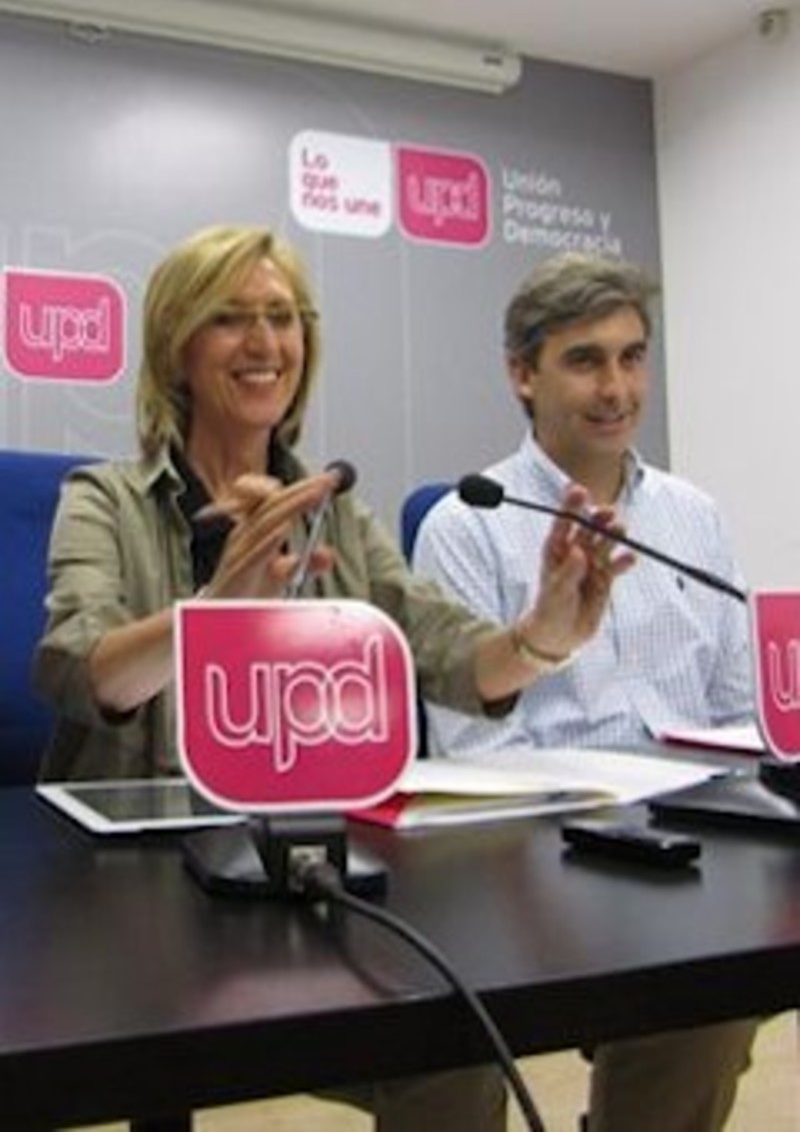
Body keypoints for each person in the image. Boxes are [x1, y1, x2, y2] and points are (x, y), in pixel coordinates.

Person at [34, 226, 632, 1132]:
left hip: (300, 872)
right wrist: (215, 612)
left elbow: (448, 650)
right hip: (135, 894)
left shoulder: (333, 511)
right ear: (176, 346)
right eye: (229, 317)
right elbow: (85, 669)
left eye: (283, 317)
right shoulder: (104, 498)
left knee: (456, 1050)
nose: (264, 342)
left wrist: (543, 637)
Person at [412, 250, 759, 1132]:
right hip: (543, 853)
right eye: (585, 360)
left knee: (717, 998)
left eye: (632, 356)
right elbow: (475, 755)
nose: (616, 387)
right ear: (522, 374)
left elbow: (735, 715)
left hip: (690, 841)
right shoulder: (466, 524)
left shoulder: (693, 516)